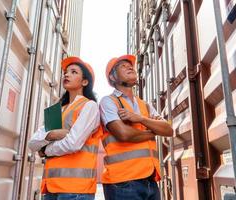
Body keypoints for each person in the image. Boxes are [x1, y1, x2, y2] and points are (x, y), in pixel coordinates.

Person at [99, 54, 173, 200]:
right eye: (122, 66)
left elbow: (168, 130)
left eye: (130, 65)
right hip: (122, 182)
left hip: (150, 180)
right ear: (112, 78)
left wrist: (139, 118)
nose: (129, 67)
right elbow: (123, 134)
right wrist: (152, 133)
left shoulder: (144, 105)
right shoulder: (108, 102)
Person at [28, 57, 101, 200]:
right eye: (66, 72)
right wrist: (51, 135)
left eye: (74, 72)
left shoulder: (89, 106)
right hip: (51, 188)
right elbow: (32, 143)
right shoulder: (56, 110)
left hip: (76, 190)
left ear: (84, 82)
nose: (66, 75)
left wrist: (45, 150)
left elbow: (73, 143)